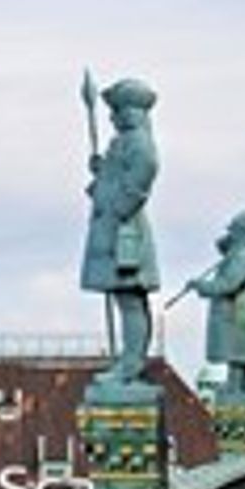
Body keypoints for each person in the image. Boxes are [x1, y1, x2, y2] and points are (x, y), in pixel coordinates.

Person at [82, 78, 160, 389]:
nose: (113, 118)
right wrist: (102, 172)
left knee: (130, 299)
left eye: (117, 111)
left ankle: (130, 364)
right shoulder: (124, 141)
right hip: (118, 226)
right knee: (126, 299)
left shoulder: (139, 142)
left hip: (124, 230)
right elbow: (120, 175)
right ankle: (130, 361)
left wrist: (115, 207)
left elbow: (143, 175)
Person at [191, 212, 245, 395]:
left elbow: (229, 284)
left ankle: (235, 389)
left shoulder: (243, 256)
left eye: (233, 231)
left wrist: (202, 287)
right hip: (233, 308)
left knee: (237, 353)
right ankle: (235, 388)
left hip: (234, 310)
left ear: (241, 232)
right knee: (236, 353)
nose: (230, 234)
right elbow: (220, 246)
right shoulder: (237, 252)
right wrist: (228, 243)